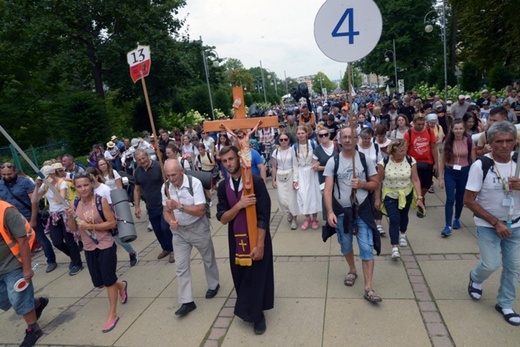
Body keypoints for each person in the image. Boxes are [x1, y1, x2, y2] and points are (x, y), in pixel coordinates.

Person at [464, 121, 520, 326]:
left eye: (509, 141)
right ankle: (475, 277)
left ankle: (505, 303)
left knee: (513, 267)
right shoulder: (481, 166)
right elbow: (469, 200)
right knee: (490, 264)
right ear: (490, 143)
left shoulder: (519, 161)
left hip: (515, 224)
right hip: (489, 225)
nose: (505, 146)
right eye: (499, 141)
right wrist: (496, 222)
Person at [216, 146, 274, 335]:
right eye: (224, 161)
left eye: (231, 159)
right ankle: (248, 307)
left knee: (258, 276)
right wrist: (239, 205)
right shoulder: (223, 187)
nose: (228, 164)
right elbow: (223, 218)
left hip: (257, 236)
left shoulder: (256, 182)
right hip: (237, 239)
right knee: (241, 275)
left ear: (239, 159)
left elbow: (264, 215)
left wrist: (260, 244)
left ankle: (258, 315)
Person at [323, 127, 382, 303]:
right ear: (339, 140)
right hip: (342, 212)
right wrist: (330, 212)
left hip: (362, 210)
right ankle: (352, 269)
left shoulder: (364, 160)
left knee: (366, 247)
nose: (348, 140)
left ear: (356, 139)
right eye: (345, 137)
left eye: (351, 137)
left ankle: (368, 287)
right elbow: (327, 190)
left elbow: (376, 183)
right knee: (345, 244)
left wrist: (362, 184)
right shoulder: (333, 161)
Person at [65, 173, 128, 333]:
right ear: (75, 187)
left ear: (91, 184)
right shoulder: (75, 203)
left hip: (105, 245)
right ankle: (121, 286)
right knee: (99, 283)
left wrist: (91, 226)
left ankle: (112, 315)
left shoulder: (101, 201)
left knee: (108, 280)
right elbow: (73, 229)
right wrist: (70, 216)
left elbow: (112, 222)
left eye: (85, 185)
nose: (83, 189)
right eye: (79, 186)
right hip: (88, 247)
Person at [162, 160, 220, 317]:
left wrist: (179, 206)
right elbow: (166, 211)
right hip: (179, 232)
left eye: (173, 174)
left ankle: (214, 284)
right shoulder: (165, 187)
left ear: (181, 171)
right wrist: (170, 221)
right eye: (168, 175)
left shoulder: (194, 183)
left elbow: (201, 210)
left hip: (197, 228)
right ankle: (187, 301)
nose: (171, 178)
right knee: (181, 266)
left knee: (208, 258)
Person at [0, 197, 49, 346]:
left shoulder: (6, 211)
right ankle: (35, 304)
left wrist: (27, 269)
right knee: (5, 300)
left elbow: (22, 240)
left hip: (13, 264)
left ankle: (33, 329)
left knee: (18, 299)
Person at [0, 163, 57, 273]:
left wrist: (33, 219)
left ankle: (51, 260)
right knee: (18, 243)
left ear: (15, 171)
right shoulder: (1, 185)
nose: (6, 177)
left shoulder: (25, 182)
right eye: (3, 175)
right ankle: (21, 265)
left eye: (9, 174)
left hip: (28, 216)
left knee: (41, 238)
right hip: (12, 220)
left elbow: (34, 202)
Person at [31, 165, 83, 276]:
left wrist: (52, 185)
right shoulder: (45, 185)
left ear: (52, 174)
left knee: (70, 241)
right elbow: (34, 200)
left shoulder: (61, 183)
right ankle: (73, 257)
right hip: (54, 215)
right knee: (57, 242)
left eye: (46, 177)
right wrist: (37, 187)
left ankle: (77, 263)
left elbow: (60, 200)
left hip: (65, 214)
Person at [376, 139, 424, 259]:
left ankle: (402, 233)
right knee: (394, 219)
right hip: (390, 195)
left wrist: (419, 197)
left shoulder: (410, 160)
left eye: (405, 149)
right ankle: (394, 247)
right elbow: (378, 182)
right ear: (393, 151)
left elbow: (415, 179)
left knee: (403, 216)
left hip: (406, 193)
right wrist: (377, 198)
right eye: (401, 151)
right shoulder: (384, 162)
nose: (404, 152)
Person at [87, 167, 138, 267]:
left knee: (120, 240)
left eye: (91, 179)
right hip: (99, 220)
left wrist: (115, 216)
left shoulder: (105, 189)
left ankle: (132, 252)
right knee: (107, 243)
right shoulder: (90, 191)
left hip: (110, 218)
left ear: (96, 177)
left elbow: (113, 203)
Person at [133, 149, 174, 263]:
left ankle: (172, 250)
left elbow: (168, 183)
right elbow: (137, 189)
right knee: (157, 229)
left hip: (163, 204)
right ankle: (165, 248)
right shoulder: (137, 171)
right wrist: (137, 207)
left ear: (147, 156)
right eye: (139, 160)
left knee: (165, 228)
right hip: (150, 205)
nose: (142, 161)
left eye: (143, 158)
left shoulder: (158, 166)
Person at [438, 119, 475, 236]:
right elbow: (443, 160)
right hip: (450, 171)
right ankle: (447, 225)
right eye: (456, 129)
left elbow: (474, 162)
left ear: (464, 129)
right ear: (452, 130)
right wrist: (440, 177)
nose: (458, 131)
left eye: (460, 128)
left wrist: (474, 177)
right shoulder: (447, 142)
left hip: (464, 172)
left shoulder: (469, 142)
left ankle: (457, 218)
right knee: (450, 199)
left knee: (460, 198)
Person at [404, 114, 438, 217]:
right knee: (416, 183)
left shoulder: (429, 131)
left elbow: (433, 147)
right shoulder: (408, 133)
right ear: (413, 123)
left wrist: (436, 163)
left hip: (428, 162)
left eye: (423, 124)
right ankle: (419, 200)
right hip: (414, 163)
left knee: (427, 184)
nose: (421, 126)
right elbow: (405, 150)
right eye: (418, 124)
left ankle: (420, 197)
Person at [293, 125, 322, 230]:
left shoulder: (313, 144)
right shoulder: (295, 147)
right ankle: (307, 217)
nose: (301, 135)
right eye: (299, 133)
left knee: (313, 195)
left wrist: (317, 164)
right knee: (303, 195)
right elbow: (295, 164)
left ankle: (314, 218)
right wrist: (295, 179)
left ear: (306, 133)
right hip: (301, 172)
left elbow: (319, 157)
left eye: (302, 133)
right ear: (296, 135)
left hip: (311, 172)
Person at [220, 120, 262, 189]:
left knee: (248, 167)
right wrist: (225, 127)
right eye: (238, 133)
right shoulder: (238, 139)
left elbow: (253, 130)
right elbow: (231, 132)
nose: (239, 134)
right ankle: (247, 180)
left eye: (240, 132)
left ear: (242, 132)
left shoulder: (247, 136)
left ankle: (247, 179)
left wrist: (258, 123)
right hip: (242, 153)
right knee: (246, 166)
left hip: (248, 152)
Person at [272, 133, 300, 230]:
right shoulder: (275, 152)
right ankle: (289, 212)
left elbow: (295, 166)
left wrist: (295, 180)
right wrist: (273, 180)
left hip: (290, 174)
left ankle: (294, 219)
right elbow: (274, 167)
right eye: (281, 140)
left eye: (285, 139)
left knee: (292, 198)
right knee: (282, 198)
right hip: (279, 175)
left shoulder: (292, 150)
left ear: (289, 140)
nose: (283, 141)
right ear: (278, 141)